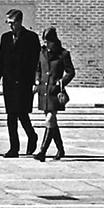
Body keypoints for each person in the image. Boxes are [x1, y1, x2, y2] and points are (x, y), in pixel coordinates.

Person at [0, 8, 42, 157]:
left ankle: (32, 136)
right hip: (9, 82)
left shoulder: (31, 38)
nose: (10, 26)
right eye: (8, 23)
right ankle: (14, 148)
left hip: (25, 82)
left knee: (22, 113)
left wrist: (36, 81)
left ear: (19, 22)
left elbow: (36, 61)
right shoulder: (5, 38)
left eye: (12, 23)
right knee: (11, 115)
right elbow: (0, 60)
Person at [34, 26, 75, 161]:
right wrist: (37, 80)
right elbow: (38, 69)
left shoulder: (63, 54)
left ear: (54, 41)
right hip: (44, 91)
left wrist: (61, 82)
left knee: (50, 118)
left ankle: (42, 151)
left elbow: (70, 72)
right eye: (44, 41)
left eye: (48, 41)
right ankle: (60, 148)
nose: (46, 44)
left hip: (55, 91)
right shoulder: (41, 53)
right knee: (52, 122)